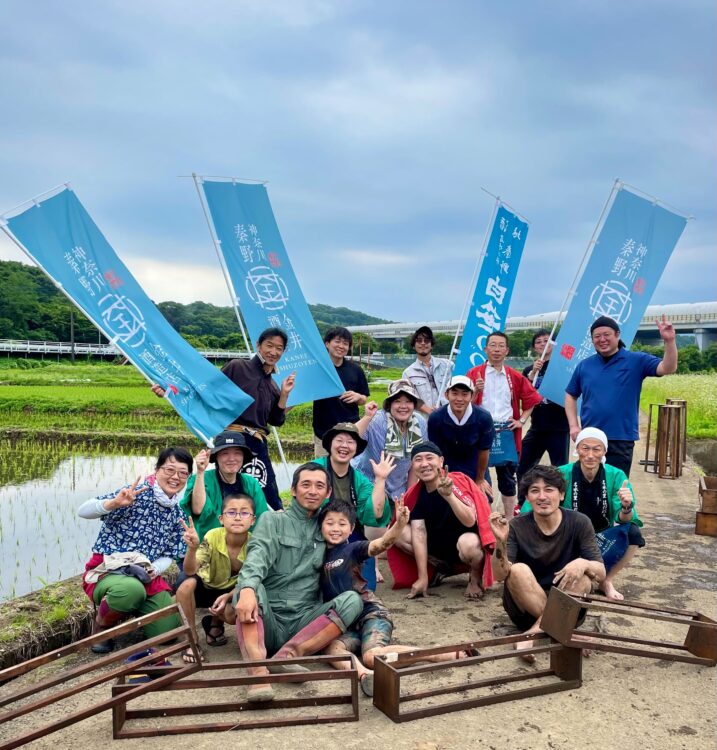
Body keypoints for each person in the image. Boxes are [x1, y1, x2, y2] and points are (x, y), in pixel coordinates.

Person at [319, 498, 478, 697]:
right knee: (331, 648)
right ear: (320, 526)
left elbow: (381, 544)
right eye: (329, 523)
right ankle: (364, 675)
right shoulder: (319, 557)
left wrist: (399, 525)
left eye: (342, 524)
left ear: (351, 529)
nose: (335, 528)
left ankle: (437, 654)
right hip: (346, 625)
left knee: (371, 656)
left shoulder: (353, 549)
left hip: (371, 615)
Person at [233, 462, 363, 702]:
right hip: (269, 617)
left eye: (319, 486)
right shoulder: (272, 521)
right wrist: (247, 588)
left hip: (304, 621)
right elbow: (257, 556)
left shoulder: (327, 527)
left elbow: (355, 551)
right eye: (306, 484)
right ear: (293, 490)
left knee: (352, 601)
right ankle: (258, 672)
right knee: (248, 587)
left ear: (328, 493)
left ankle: (288, 656)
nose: (312, 491)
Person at [151, 327, 296, 510]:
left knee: (265, 495)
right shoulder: (238, 367)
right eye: (269, 345)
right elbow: (205, 388)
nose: (273, 352)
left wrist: (284, 395)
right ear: (258, 345)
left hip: (257, 445)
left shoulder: (273, 385)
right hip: (230, 440)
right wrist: (170, 392)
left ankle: (262, 534)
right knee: (225, 491)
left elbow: (276, 420)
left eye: (279, 348)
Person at [78, 447, 193, 654]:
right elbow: (83, 510)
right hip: (111, 571)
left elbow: (169, 553)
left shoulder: (178, 513)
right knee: (130, 591)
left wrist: (155, 569)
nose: (175, 477)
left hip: (145, 575)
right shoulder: (134, 494)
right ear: (157, 470)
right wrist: (113, 503)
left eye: (183, 473)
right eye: (169, 470)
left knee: (167, 632)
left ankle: (135, 610)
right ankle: (102, 627)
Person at [489, 464, 605, 661]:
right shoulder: (516, 526)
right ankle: (559, 630)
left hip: (568, 606)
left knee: (584, 579)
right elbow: (500, 576)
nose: (542, 496)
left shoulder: (580, 522)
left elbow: (601, 573)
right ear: (527, 498)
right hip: (525, 608)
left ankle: (533, 634)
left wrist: (582, 563)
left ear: (561, 495)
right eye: (535, 491)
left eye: (549, 489)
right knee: (517, 570)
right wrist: (500, 541)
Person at [565, 315, 678, 477]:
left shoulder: (636, 360)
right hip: (590, 438)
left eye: (606, 335)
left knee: (617, 489)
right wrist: (573, 426)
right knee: (587, 486)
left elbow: (667, 367)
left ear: (617, 335)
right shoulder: (585, 365)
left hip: (621, 438)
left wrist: (669, 341)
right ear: (592, 340)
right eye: (597, 336)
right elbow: (570, 394)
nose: (602, 339)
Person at [387, 442, 495, 601]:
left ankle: (475, 576)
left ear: (441, 461)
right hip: (438, 548)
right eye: (418, 459)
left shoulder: (456, 482)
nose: (424, 464)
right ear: (413, 465)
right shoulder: (417, 494)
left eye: (429, 458)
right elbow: (419, 533)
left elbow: (470, 521)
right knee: (397, 531)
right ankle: (437, 568)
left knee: (469, 543)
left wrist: (449, 496)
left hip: (466, 547)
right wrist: (422, 577)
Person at [553, 427, 644, 601]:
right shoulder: (561, 473)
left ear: (604, 451)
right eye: (585, 448)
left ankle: (606, 580)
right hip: (568, 535)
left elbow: (625, 519)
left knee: (632, 532)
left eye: (596, 449)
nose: (590, 455)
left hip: (602, 535)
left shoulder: (616, 475)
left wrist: (626, 507)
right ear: (577, 449)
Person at [466, 332, 542, 517]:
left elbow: (532, 399)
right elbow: (461, 402)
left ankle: (509, 520)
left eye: (501, 346)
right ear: (485, 349)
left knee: (507, 479)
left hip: (505, 431)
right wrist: (475, 391)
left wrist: (521, 420)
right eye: (493, 345)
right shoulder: (474, 374)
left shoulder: (514, 376)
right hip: (480, 431)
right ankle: (484, 518)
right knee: (479, 475)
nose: (497, 349)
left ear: (507, 350)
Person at [175, 494, 255, 663]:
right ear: (221, 519)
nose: (238, 517)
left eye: (244, 513)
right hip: (206, 585)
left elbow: (251, 579)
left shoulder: (254, 544)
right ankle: (191, 640)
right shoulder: (212, 536)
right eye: (231, 512)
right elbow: (190, 570)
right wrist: (192, 548)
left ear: (253, 520)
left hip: (231, 590)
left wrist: (228, 596)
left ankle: (215, 622)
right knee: (185, 585)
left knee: (233, 615)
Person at [313, 422, 394, 589]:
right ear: (330, 445)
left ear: (356, 449)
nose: (344, 446)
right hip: (315, 533)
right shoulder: (314, 470)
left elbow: (376, 514)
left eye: (350, 442)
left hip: (349, 535)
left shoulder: (360, 480)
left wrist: (380, 480)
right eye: (339, 440)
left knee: (367, 587)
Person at [181, 431, 269, 542]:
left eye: (237, 453)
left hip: (244, 545)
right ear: (216, 457)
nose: (231, 458)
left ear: (243, 457)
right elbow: (198, 510)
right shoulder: (200, 478)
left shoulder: (251, 483)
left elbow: (261, 519)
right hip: (208, 545)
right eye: (225, 453)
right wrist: (200, 471)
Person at [352, 380, 428, 501]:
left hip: (398, 489)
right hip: (368, 482)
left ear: (414, 405)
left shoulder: (419, 423)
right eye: (397, 401)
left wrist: (409, 497)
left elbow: (415, 461)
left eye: (408, 401)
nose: (403, 406)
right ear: (389, 404)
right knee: (372, 517)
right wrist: (367, 418)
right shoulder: (377, 421)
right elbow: (350, 437)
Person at [427, 375, 495, 497]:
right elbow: (434, 452)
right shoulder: (436, 418)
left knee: (483, 500)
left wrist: (480, 479)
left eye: (464, 394)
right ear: (446, 395)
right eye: (455, 393)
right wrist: (438, 476)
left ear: (472, 396)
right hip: (447, 466)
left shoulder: (483, 417)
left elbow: (484, 450)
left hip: (475, 465)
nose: (459, 399)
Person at [516, 330, 570, 482]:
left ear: (554, 344)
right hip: (538, 426)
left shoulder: (562, 367)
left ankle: (560, 503)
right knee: (523, 465)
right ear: (534, 347)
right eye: (538, 342)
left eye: (546, 341)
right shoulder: (529, 370)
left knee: (560, 470)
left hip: (559, 427)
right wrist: (533, 372)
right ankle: (522, 502)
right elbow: (525, 395)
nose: (542, 344)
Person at [312, 327, 370, 458]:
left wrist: (358, 396)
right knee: (323, 473)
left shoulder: (356, 370)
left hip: (351, 431)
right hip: (323, 433)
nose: (341, 346)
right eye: (337, 341)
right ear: (327, 343)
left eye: (345, 343)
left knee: (351, 472)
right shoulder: (317, 369)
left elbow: (364, 398)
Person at [402, 326, 454, 415]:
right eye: (419, 340)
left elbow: (456, 390)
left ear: (431, 345)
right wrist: (430, 411)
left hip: (448, 417)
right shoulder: (408, 373)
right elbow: (410, 397)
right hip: (423, 421)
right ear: (414, 346)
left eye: (426, 341)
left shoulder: (447, 366)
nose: (423, 343)